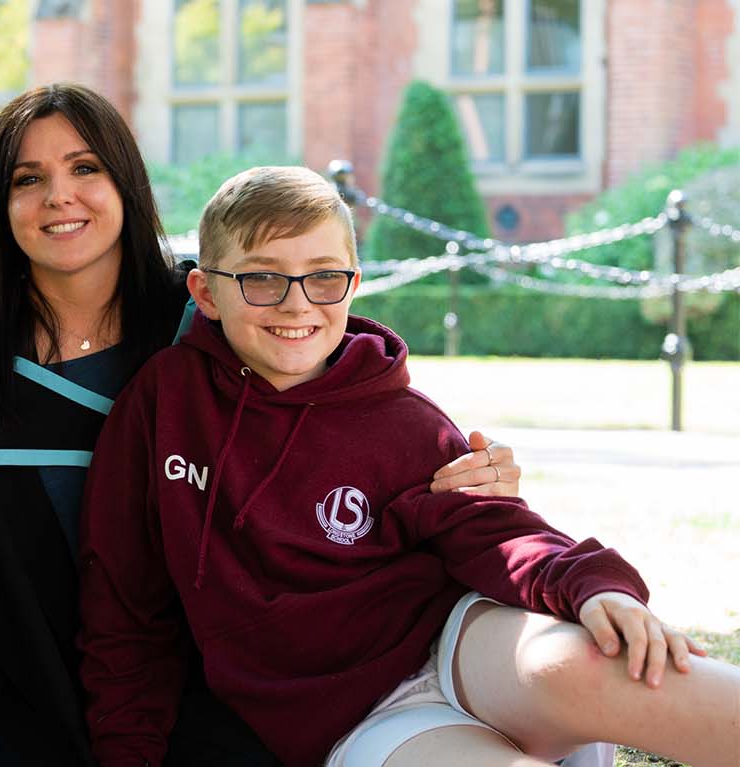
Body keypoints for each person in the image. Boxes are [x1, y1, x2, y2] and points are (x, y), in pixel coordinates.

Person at [0, 86, 526, 767]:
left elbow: (351, 419)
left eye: (85, 168)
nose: (59, 196)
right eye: (27, 178)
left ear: (125, 182)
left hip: (227, 692)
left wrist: (466, 475)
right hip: (32, 690)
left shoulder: (215, 321)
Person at [77, 165, 740, 767]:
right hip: (356, 719)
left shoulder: (399, 415)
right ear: (206, 292)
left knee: (620, 668)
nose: (297, 303)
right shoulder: (163, 403)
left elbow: (493, 530)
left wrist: (594, 586)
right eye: (262, 277)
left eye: (324, 276)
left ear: (354, 282)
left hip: (462, 639)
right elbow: (124, 604)